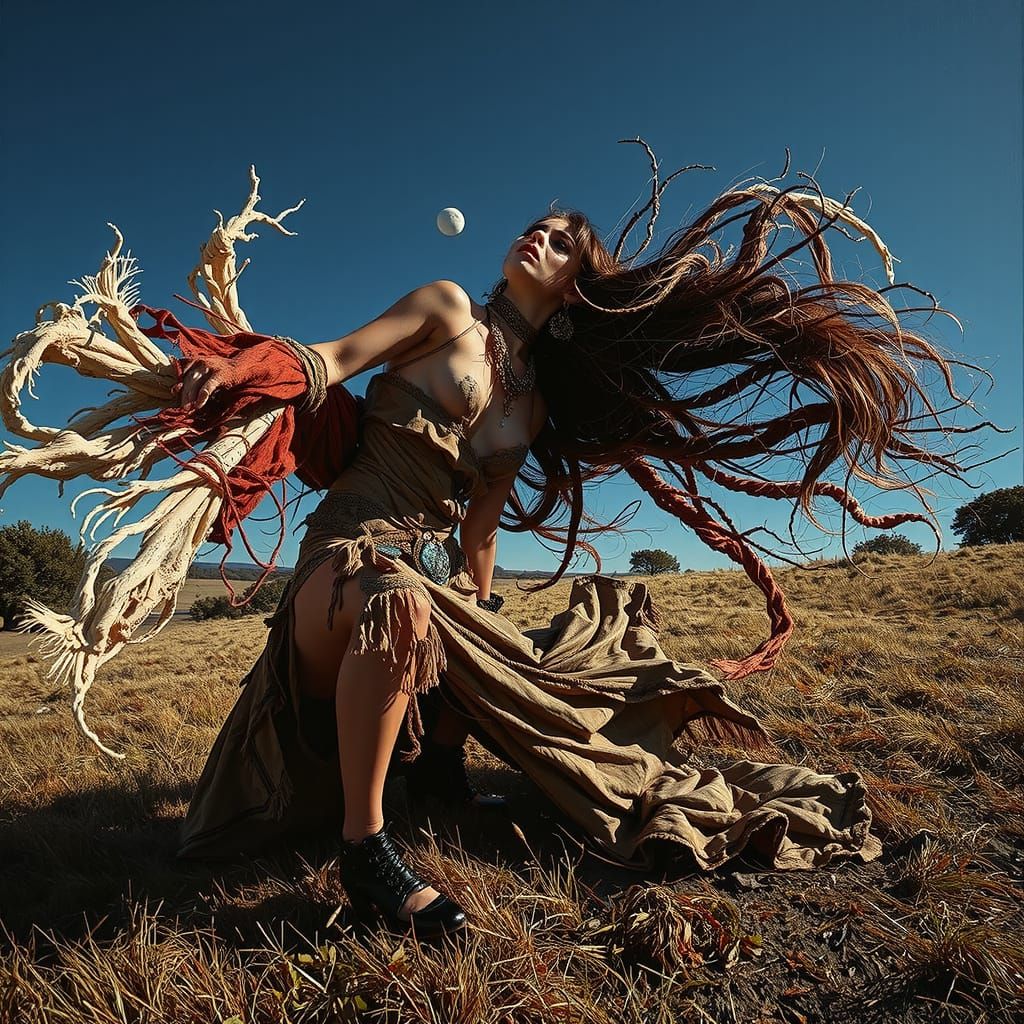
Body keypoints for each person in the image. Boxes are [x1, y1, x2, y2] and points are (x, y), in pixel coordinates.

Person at [171, 176, 982, 939]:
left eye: (562, 242)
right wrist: (243, 367)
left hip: (432, 570)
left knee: (502, 639)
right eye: (538, 228)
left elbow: (480, 531)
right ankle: (366, 849)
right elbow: (333, 358)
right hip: (349, 553)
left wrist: (485, 612)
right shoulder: (446, 309)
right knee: (399, 602)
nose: (540, 237)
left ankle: (439, 770)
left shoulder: (531, 406)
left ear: (573, 290)